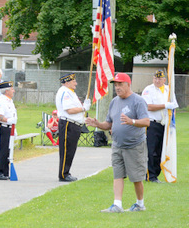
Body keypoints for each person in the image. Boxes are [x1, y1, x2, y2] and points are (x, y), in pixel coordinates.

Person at [85, 73, 150, 212]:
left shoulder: (138, 101)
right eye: (115, 85)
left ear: (128, 84)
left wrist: (132, 121)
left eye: (120, 84)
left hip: (134, 145)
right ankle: (117, 205)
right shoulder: (114, 102)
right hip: (117, 145)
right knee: (118, 175)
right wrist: (97, 124)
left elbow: (146, 121)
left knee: (136, 178)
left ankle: (140, 204)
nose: (117, 87)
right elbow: (108, 124)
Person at [141, 70, 178, 183]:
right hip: (153, 123)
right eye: (155, 78)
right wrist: (165, 105)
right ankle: (150, 175)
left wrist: (172, 121)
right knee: (151, 151)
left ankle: (155, 174)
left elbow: (174, 106)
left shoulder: (168, 90)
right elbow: (148, 106)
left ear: (164, 80)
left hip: (165, 124)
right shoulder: (148, 90)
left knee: (161, 150)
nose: (157, 81)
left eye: (160, 79)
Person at [55, 73, 91, 182]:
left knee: (70, 150)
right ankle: (63, 174)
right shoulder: (65, 92)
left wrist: (83, 107)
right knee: (67, 150)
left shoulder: (70, 92)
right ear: (67, 82)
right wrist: (84, 108)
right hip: (68, 124)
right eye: (73, 81)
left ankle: (66, 172)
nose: (76, 83)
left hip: (73, 124)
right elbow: (69, 110)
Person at [0, 81, 17, 180]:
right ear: (6, 91)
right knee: (1, 150)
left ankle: (5, 172)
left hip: (9, 128)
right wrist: (8, 120)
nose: (13, 91)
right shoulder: (0, 101)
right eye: (12, 89)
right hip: (1, 127)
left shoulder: (9, 101)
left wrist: (13, 128)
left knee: (7, 150)